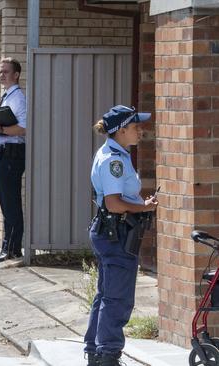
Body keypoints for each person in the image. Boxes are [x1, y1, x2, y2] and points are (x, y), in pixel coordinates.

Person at [84, 105, 158, 366]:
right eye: (136, 126)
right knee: (118, 299)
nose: (141, 130)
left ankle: (96, 352)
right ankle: (108, 355)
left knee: (106, 295)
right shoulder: (114, 160)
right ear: (122, 130)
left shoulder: (116, 153)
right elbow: (114, 203)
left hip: (111, 232)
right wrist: (144, 207)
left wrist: (138, 204)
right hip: (116, 233)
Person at [0, 57, 27, 264]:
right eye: (0, 71)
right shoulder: (7, 96)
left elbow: (23, 128)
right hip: (2, 155)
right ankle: (10, 247)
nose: (1, 74)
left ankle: (11, 248)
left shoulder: (18, 98)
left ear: (16, 75)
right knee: (6, 203)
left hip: (12, 155)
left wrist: (0, 129)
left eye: (5, 71)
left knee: (10, 204)